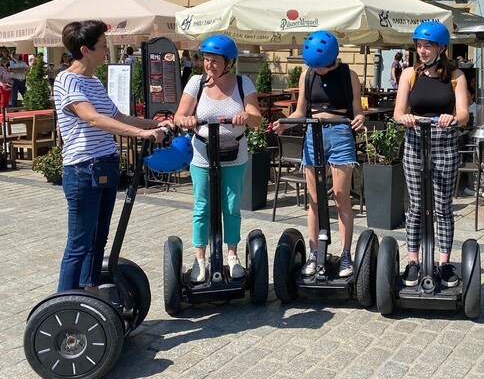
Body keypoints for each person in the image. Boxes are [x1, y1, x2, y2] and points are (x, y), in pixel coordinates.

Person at [54, 20, 169, 292]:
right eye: (103, 46)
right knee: (79, 242)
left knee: (99, 239)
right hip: (83, 168)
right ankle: (63, 304)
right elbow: (93, 119)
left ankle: (89, 291)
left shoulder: (93, 80)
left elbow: (117, 117)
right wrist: (139, 135)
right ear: (85, 49)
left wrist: (155, 125)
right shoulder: (66, 79)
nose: (107, 51)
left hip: (105, 164)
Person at [271, 30, 365, 277]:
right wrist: (285, 123)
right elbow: (301, 111)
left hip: (341, 134)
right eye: (315, 66)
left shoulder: (349, 75)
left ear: (333, 57)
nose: (319, 70)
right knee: (314, 199)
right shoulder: (307, 74)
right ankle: (314, 254)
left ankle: (346, 255)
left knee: (341, 195)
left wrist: (360, 119)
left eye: (322, 66)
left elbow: (357, 110)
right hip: (313, 134)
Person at [174, 35, 263, 282]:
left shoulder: (243, 83)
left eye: (215, 60)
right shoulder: (196, 83)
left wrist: (246, 115)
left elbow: (257, 120)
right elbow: (178, 116)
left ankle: (232, 255)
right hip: (203, 153)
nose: (209, 65)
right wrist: (186, 120)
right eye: (206, 59)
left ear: (230, 62)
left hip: (234, 153)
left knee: (232, 206)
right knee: (202, 206)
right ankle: (200, 258)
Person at [393, 22, 469, 288]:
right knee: (415, 206)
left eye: (427, 46)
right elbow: (397, 112)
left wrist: (452, 117)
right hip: (415, 141)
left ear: (441, 48)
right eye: (419, 46)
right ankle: (413, 261)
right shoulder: (408, 75)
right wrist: (407, 118)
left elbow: (464, 114)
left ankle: (444, 263)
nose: (422, 51)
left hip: (444, 143)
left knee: (442, 207)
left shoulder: (455, 76)